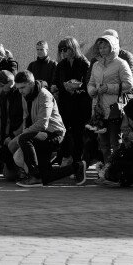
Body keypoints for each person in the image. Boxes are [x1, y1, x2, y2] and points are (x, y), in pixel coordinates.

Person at [11, 71, 78, 187]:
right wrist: (29, 132)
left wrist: (25, 133)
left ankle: (34, 176)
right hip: (39, 134)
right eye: (18, 88)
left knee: (23, 139)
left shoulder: (44, 95)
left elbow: (43, 123)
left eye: (22, 87)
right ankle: (78, 167)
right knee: (45, 177)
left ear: (31, 83)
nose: (20, 91)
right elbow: (26, 118)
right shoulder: (25, 95)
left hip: (54, 134)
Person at [87, 34, 133, 169]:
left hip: (114, 108)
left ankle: (117, 170)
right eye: (100, 47)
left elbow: (129, 84)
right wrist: (92, 90)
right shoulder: (96, 65)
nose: (102, 50)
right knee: (103, 144)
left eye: (105, 47)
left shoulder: (121, 63)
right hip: (99, 109)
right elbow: (90, 83)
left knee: (115, 142)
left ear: (112, 47)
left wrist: (108, 88)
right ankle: (108, 170)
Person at [52, 37, 91, 169]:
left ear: (73, 48)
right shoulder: (61, 65)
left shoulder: (84, 63)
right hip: (65, 103)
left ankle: (77, 162)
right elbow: (56, 81)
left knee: (78, 133)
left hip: (80, 104)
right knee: (64, 131)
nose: (63, 52)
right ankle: (66, 156)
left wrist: (77, 88)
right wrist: (61, 87)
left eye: (65, 49)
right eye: (61, 50)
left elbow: (89, 83)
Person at [0, 70, 23, 180]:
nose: (2, 88)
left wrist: (13, 135)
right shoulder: (3, 96)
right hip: (8, 135)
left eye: (2, 85)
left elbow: (25, 119)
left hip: (18, 133)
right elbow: (2, 119)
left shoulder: (20, 94)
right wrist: (1, 139)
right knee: (9, 175)